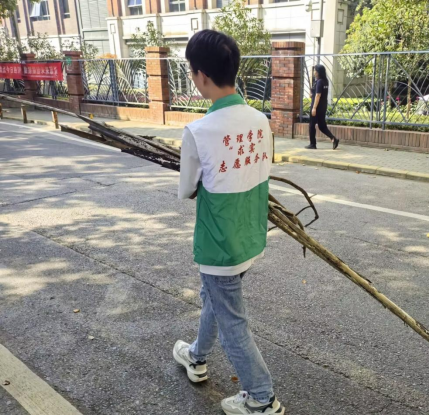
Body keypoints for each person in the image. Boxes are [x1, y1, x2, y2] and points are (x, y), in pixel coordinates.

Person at [174, 29, 284, 415]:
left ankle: (262, 398)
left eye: (191, 71)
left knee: (232, 320)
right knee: (215, 298)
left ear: (201, 75)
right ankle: (196, 356)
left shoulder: (198, 131)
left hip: (218, 245)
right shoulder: (260, 121)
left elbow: (186, 189)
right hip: (250, 236)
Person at [306, 64, 339, 150]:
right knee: (322, 126)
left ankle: (312, 144)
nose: (314, 72)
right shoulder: (325, 81)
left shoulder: (319, 82)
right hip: (323, 107)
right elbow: (317, 94)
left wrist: (314, 108)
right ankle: (333, 139)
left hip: (317, 107)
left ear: (318, 72)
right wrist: (312, 94)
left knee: (312, 125)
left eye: (315, 70)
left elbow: (318, 95)